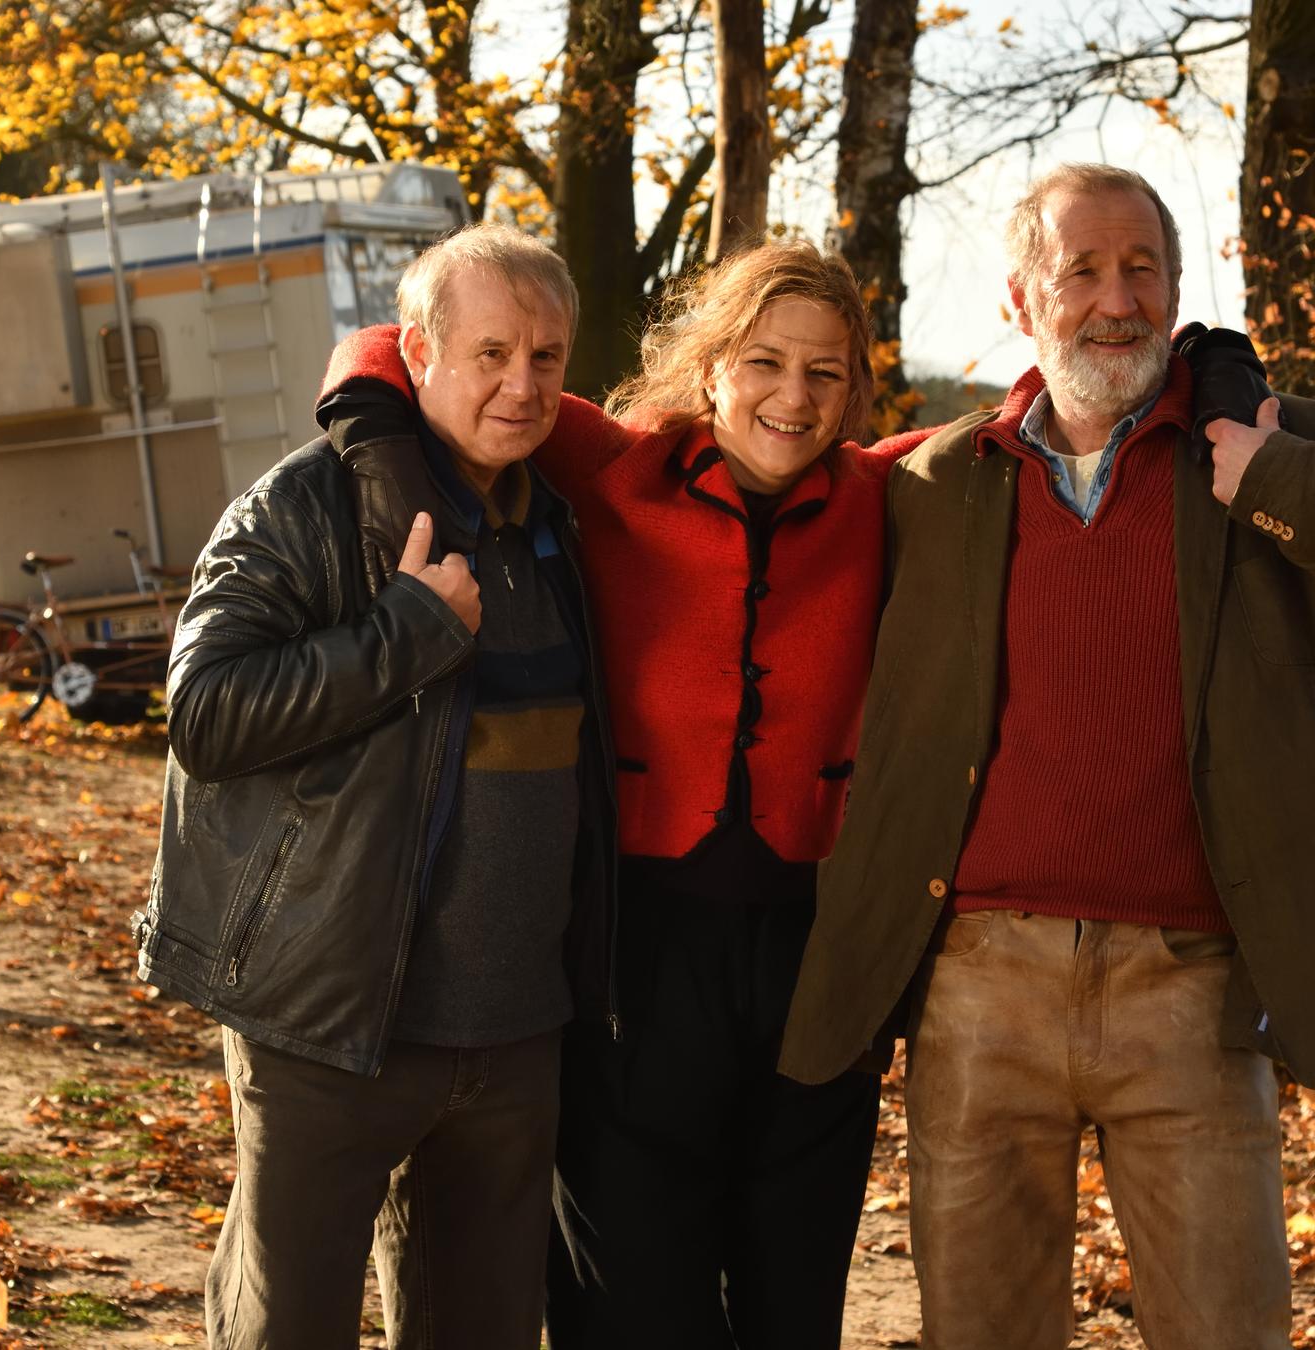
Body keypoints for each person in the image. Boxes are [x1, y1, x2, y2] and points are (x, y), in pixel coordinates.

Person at [777, 162, 1315, 1349]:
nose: (1116, 300)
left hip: (1194, 990)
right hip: (981, 987)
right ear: (1022, 300)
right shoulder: (934, 482)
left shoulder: (1285, 449)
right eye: (1081, 271)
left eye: (1142, 269)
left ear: (1177, 291)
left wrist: (1279, 484)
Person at [320, 239, 892, 1347]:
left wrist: (1219, 372)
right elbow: (388, 348)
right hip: (634, 943)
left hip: (815, 960)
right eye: (766, 360)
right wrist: (383, 464)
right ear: (712, 363)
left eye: (826, 372)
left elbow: (1028, 424)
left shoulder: (890, 493)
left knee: (795, 1293)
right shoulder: (616, 462)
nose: (794, 396)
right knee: (632, 1294)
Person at [136, 223, 616, 1350]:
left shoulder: (558, 520)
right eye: (492, 351)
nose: (522, 382)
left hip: (512, 1035)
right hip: (333, 1019)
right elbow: (204, 715)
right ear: (419, 352)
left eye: (547, 358)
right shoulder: (302, 508)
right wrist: (402, 632)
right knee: (288, 1328)